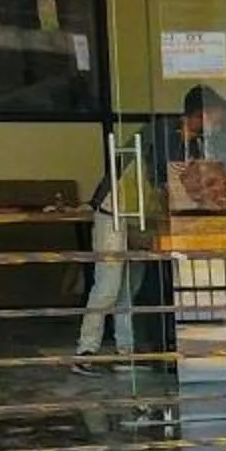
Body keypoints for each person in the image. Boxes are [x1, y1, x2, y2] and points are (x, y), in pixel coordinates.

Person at [74, 143, 141, 371]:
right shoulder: (159, 142)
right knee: (108, 288)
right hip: (112, 216)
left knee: (126, 289)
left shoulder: (155, 141)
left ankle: (125, 351)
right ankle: (86, 351)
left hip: (132, 215)